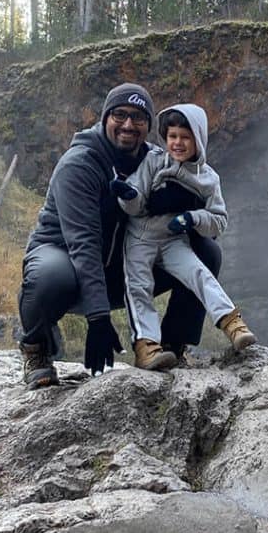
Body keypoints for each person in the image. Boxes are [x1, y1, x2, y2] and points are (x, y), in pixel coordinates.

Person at [17, 83, 222, 389]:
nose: (128, 125)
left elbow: (204, 187)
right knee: (50, 275)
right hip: (67, 259)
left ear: (149, 126)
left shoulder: (156, 160)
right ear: (105, 119)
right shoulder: (80, 164)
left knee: (206, 251)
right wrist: (98, 319)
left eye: (138, 118)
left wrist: (187, 205)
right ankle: (36, 349)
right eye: (120, 115)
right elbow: (83, 244)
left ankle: (171, 347)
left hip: (123, 266)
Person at [110, 103, 256, 370]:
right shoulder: (154, 161)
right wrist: (128, 197)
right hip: (139, 238)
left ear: (198, 139)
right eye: (172, 137)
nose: (177, 143)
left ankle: (232, 323)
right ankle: (147, 346)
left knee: (198, 274)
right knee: (138, 286)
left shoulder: (208, 179)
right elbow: (137, 195)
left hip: (173, 239)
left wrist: (192, 219)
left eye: (185, 137)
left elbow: (219, 221)